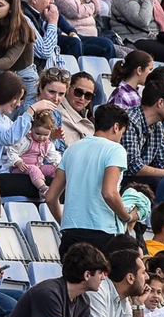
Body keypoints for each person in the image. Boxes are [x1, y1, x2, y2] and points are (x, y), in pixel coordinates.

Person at [45, 104, 136, 250]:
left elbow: (50, 197)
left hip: (71, 234)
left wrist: (65, 223)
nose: (121, 138)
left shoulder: (72, 149)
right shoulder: (116, 149)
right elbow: (109, 193)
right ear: (116, 127)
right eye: (122, 133)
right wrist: (127, 217)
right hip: (102, 233)